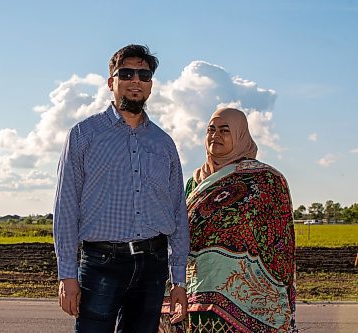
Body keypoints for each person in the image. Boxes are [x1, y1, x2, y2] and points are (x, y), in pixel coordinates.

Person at [53, 44, 190, 333]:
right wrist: (67, 275)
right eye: (126, 73)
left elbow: (178, 212)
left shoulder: (164, 144)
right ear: (111, 82)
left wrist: (178, 280)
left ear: (151, 84)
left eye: (144, 74)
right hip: (102, 263)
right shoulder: (83, 136)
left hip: (153, 265)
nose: (135, 80)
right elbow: (66, 208)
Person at [160, 107, 298, 333]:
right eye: (210, 130)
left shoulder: (267, 180)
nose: (215, 135)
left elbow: (280, 241)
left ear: (240, 134)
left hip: (245, 300)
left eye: (225, 130)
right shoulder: (194, 183)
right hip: (192, 290)